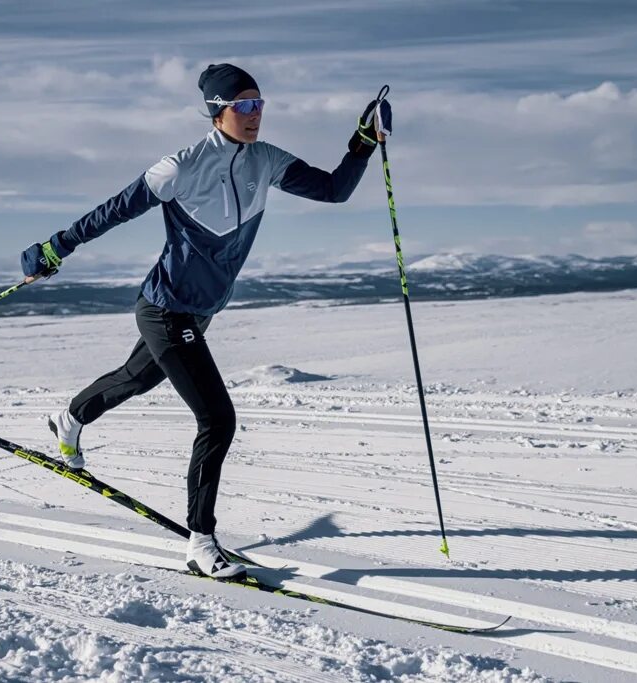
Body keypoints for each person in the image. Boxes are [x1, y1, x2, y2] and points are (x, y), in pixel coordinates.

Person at [21, 63, 391, 579]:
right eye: (243, 105)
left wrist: (363, 142)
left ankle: (71, 418)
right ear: (218, 112)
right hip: (166, 307)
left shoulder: (267, 160)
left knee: (138, 377)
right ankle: (201, 542)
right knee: (217, 419)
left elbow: (334, 190)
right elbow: (113, 210)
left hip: (197, 310)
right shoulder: (181, 166)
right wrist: (55, 247)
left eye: (259, 104)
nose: (255, 114)